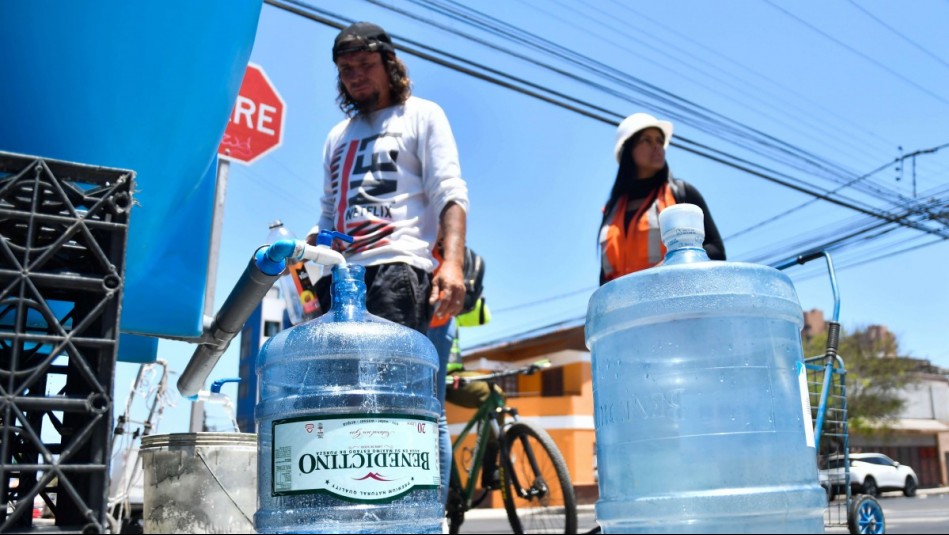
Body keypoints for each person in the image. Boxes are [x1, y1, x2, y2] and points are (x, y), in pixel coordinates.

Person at [306, 21, 468, 510]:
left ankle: (423, 517)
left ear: (390, 64)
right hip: (340, 278)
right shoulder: (338, 135)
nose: (355, 76)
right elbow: (327, 209)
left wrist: (453, 263)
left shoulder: (421, 115)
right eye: (345, 69)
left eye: (365, 65)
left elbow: (450, 193)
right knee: (343, 401)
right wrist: (312, 274)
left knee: (407, 403)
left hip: (399, 269)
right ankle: (363, 512)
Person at [598, 112, 725, 285]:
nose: (657, 146)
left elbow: (716, 250)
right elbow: (604, 277)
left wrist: (668, 267)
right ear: (628, 149)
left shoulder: (682, 194)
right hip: (627, 310)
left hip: (674, 305)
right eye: (647, 140)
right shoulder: (610, 213)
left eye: (659, 141)